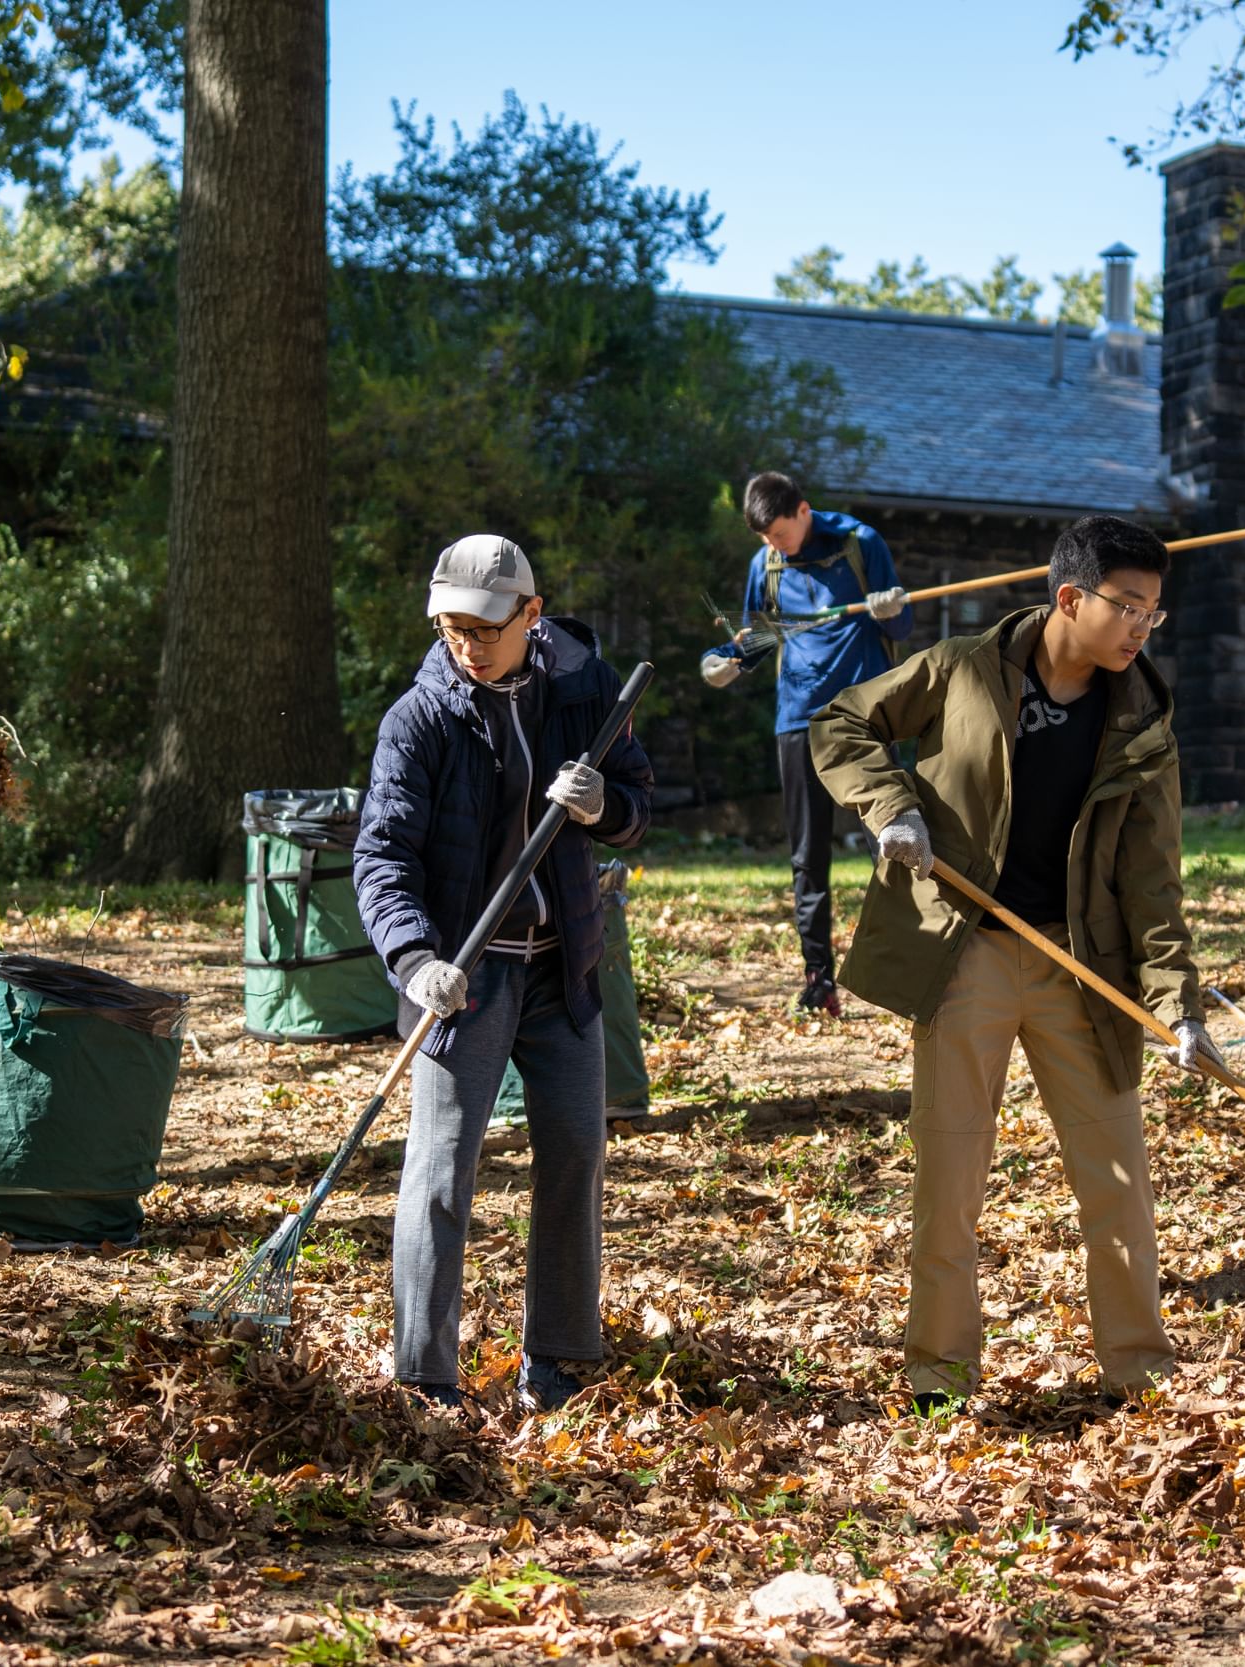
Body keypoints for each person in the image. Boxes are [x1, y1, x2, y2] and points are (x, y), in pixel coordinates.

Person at [812, 514, 1213, 1408]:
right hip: (966, 955)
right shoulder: (960, 670)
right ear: (1070, 596)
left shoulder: (1143, 719)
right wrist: (892, 809)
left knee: (1118, 1181)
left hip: (1082, 968)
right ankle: (938, 1379)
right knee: (951, 1179)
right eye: (1130, 607)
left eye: (1156, 612)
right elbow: (841, 725)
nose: (1144, 627)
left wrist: (1177, 1004)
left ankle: (1140, 1377)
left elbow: (1154, 883)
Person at [354, 533, 655, 1415]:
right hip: (467, 974)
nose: (467, 646)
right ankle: (425, 1373)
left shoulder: (586, 689)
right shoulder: (421, 718)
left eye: (485, 628)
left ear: (532, 613)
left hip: (565, 970)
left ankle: (556, 1359)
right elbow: (382, 858)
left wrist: (607, 809)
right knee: (442, 1168)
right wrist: (415, 960)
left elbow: (637, 804)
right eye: (451, 629)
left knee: (575, 1154)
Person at [701, 471, 912, 1017]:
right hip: (796, 719)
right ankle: (819, 977)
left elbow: (903, 626)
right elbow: (756, 640)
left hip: (863, 716)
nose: (774, 544)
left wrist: (891, 608)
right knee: (807, 855)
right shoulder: (765, 565)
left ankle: (910, 969)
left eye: (778, 532)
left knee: (888, 842)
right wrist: (724, 662)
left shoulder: (859, 544)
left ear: (802, 510)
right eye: (764, 537)